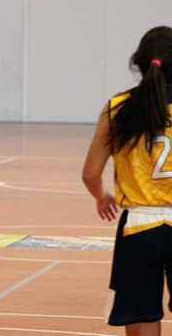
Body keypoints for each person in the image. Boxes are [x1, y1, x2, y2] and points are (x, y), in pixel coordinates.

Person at [82, 26, 172, 336]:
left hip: (139, 226)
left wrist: (102, 195)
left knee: (141, 312)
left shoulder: (118, 107)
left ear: (139, 62)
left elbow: (90, 173)